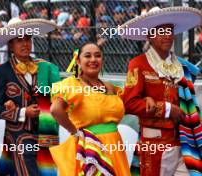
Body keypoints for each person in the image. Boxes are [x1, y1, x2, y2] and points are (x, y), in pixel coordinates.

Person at [49, 42, 156, 175]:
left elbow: (130, 101)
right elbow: (55, 110)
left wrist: (146, 98)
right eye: (87, 56)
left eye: (97, 56)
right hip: (90, 148)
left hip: (115, 147)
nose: (93, 59)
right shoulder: (72, 84)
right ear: (78, 60)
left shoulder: (110, 87)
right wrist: (75, 133)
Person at [121, 6, 202, 176]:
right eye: (161, 32)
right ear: (150, 36)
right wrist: (165, 109)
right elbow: (128, 103)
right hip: (155, 143)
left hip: (186, 141)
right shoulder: (138, 64)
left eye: (170, 31)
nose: (168, 36)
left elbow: (190, 103)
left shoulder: (182, 66)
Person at [0, 17, 60, 176]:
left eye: (28, 39)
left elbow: (56, 97)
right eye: (19, 40)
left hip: (45, 135)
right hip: (18, 137)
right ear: (10, 44)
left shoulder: (45, 68)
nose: (25, 44)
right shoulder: (1, 72)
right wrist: (22, 112)